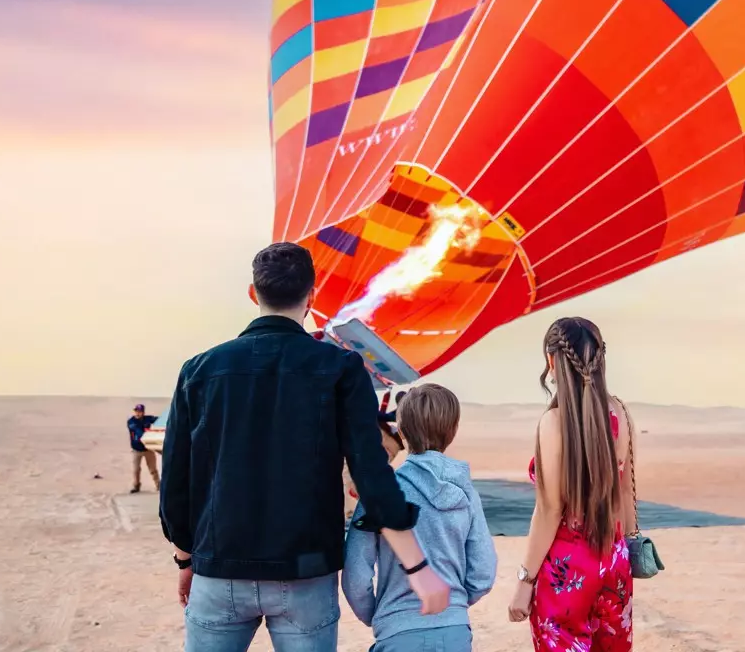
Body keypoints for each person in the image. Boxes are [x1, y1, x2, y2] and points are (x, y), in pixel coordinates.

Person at [159, 242, 450, 652]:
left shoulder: (200, 370)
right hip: (305, 572)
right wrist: (416, 565)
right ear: (311, 297)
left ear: (252, 293)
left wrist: (186, 558)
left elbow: (175, 480)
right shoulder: (341, 369)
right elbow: (372, 473)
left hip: (218, 567)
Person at [507, 317, 636, 651]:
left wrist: (525, 580)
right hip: (613, 560)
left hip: (567, 570)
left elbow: (550, 510)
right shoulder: (620, 412)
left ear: (553, 360)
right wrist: (628, 549)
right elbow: (625, 490)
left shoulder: (553, 423)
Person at [344, 383, 496, 652]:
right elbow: (483, 571)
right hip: (455, 634)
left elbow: (356, 575)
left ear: (401, 432)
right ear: (454, 430)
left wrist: (381, 615)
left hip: (396, 633)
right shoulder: (465, 492)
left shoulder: (381, 493)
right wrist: (454, 603)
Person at [127, 403, 160, 494]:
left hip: (148, 449)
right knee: (136, 470)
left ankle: (159, 486)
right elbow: (138, 431)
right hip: (136, 450)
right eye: (136, 411)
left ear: (143, 412)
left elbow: (159, 420)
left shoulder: (148, 419)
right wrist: (146, 434)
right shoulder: (131, 422)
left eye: (140, 411)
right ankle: (136, 486)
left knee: (153, 469)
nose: (138, 413)